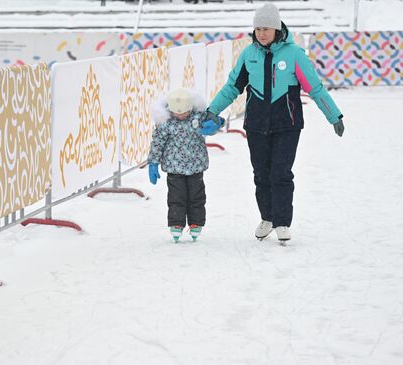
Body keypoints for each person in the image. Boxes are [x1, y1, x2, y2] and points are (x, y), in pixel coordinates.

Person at [201, 2, 345, 243]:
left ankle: (282, 223)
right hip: (256, 125)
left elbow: (315, 88)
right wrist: (212, 110)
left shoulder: (294, 54)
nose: (262, 33)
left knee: (281, 173)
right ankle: (267, 218)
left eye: (267, 28)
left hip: (287, 125)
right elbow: (232, 87)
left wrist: (334, 116)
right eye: (258, 29)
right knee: (261, 174)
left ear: (277, 28)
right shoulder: (249, 55)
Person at [147, 88, 222, 243]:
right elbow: (158, 143)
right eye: (177, 113)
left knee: (197, 196)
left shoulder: (198, 116)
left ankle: (196, 223)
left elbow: (214, 123)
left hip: (196, 165)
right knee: (176, 197)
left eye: (184, 113)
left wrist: (218, 122)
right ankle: (176, 224)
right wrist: (153, 162)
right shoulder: (165, 122)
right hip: (174, 168)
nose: (181, 116)